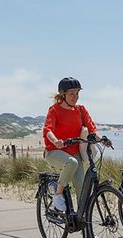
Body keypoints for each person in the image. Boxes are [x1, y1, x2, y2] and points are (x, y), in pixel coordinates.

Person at [43, 77, 106, 213]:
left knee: (83, 190)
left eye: (77, 93)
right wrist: (56, 141)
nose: (75, 97)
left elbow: (92, 129)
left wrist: (102, 139)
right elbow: (48, 130)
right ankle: (58, 195)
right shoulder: (54, 110)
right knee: (71, 163)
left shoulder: (81, 110)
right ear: (63, 94)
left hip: (74, 153)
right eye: (72, 94)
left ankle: (84, 226)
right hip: (54, 152)